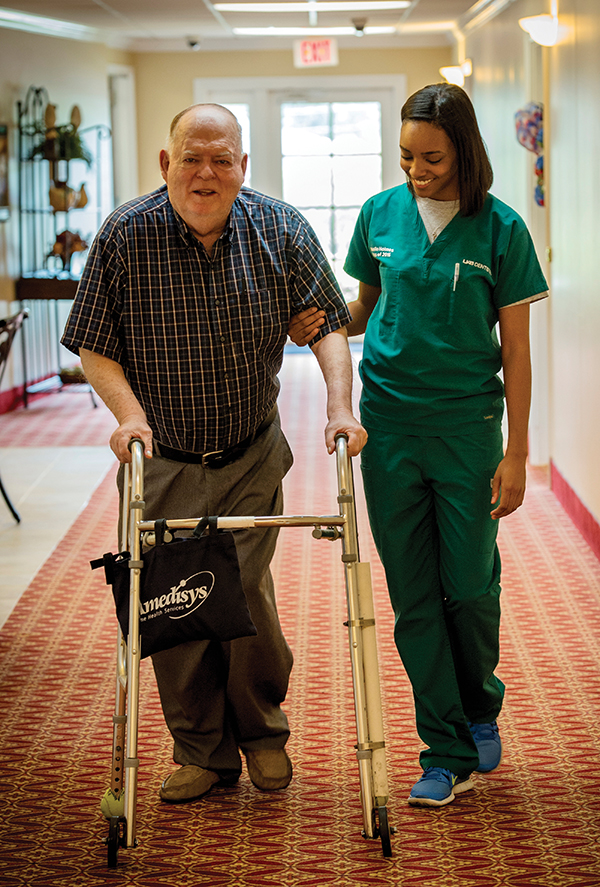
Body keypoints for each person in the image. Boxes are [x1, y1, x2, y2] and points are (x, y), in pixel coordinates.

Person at [61, 103, 366, 804]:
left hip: (250, 451)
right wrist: (129, 417)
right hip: (162, 453)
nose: (206, 173)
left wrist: (339, 405)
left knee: (245, 593)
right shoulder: (124, 235)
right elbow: (94, 345)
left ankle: (261, 734)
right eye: (191, 158)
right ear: (166, 163)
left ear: (242, 166)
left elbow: (327, 325)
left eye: (222, 158)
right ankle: (201, 749)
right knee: (175, 603)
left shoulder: (281, 228)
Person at [289, 83, 548, 807]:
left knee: (468, 586)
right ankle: (445, 747)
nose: (415, 169)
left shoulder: (501, 229)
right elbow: (365, 308)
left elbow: (518, 353)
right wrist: (317, 322)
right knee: (412, 598)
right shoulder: (379, 214)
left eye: (431, 157)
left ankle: (479, 701)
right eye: (405, 155)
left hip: (468, 430)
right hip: (391, 427)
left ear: (463, 150)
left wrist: (518, 451)